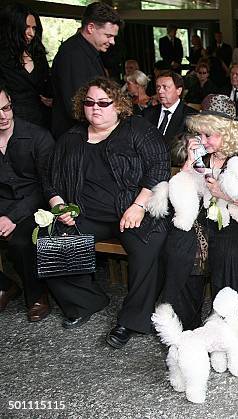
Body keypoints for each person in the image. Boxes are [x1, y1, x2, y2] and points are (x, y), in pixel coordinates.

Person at [43, 77, 169, 348]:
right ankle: (87, 301)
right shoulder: (71, 138)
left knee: (149, 244)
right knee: (51, 242)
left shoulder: (136, 129)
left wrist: (139, 205)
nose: (95, 108)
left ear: (119, 105)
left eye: (103, 102)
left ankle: (132, 319)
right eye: (89, 102)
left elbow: (159, 167)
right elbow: (50, 180)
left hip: (131, 209)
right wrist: (59, 205)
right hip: (85, 213)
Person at [163, 94, 238, 329]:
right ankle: (185, 324)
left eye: (208, 135)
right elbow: (183, 194)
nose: (203, 140)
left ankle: (223, 323)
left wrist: (225, 194)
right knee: (180, 245)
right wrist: (188, 166)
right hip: (201, 218)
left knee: (228, 249)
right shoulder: (201, 155)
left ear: (228, 132)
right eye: (199, 134)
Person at [0, 83, 54, 321]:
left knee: (22, 241)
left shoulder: (37, 136)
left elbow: (47, 186)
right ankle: (6, 285)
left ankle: (37, 295)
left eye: (6, 108)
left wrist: (12, 217)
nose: (3, 116)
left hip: (35, 205)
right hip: (2, 204)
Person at [50, 1, 122, 138]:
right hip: (76, 137)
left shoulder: (87, 51)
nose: (112, 42)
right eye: (108, 36)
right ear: (90, 28)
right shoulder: (72, 53)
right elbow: (75, 105)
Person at [0, 3, 52, 129]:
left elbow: (47, 86)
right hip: (13, 124)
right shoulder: (2, 56)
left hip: (42, 121)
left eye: (34, 28)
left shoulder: (38, 54)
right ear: (13, 28)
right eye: (26, 27)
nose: (31, 33)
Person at [142, 70, 197, 149]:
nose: (160, 91)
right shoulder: (147, 113)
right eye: (158, 87)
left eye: (165, 87)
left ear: (178, 90)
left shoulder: (191, 116)